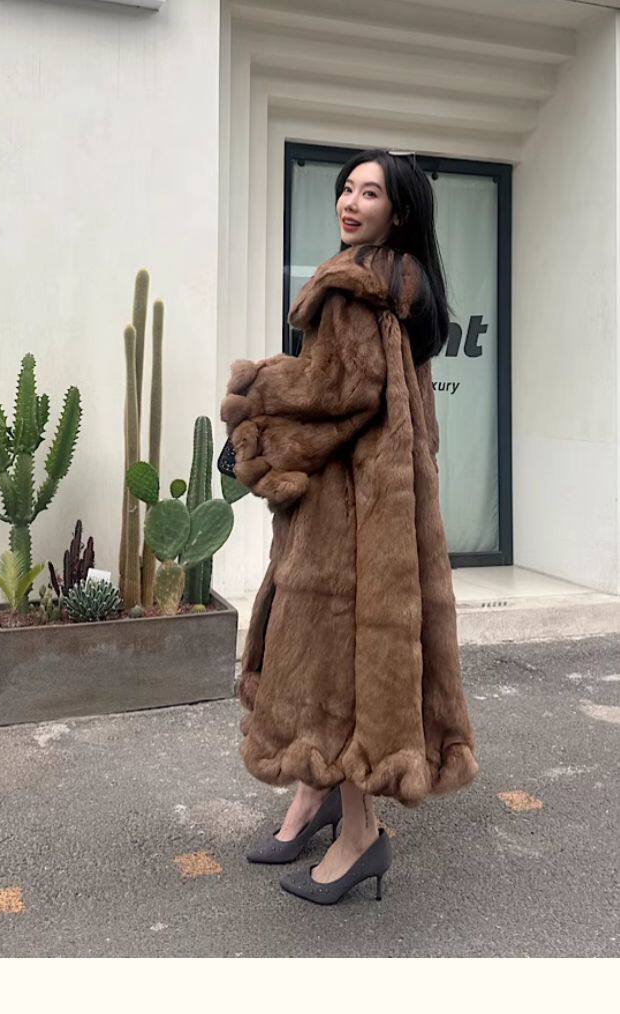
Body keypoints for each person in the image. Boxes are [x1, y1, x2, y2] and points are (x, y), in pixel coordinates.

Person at [220, 148, 478, 904]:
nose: (350, 201)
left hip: (348, 512)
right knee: (347, 661)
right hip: (383, 506)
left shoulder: (354, 287)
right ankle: (315, 797)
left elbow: (339, 393)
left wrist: (253, 409)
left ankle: (360, 837)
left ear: (399, 211)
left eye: (370, 192)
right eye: (347, 188)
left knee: (337, 668)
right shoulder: (402, 286)